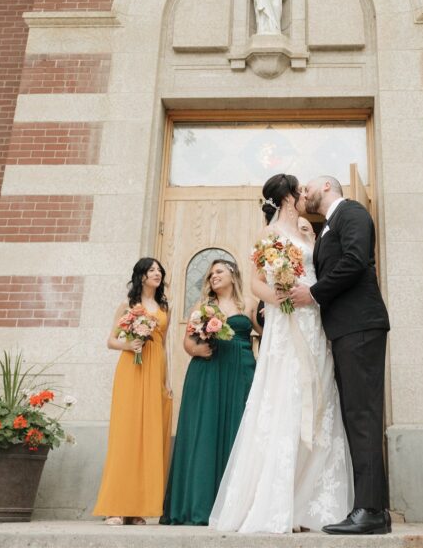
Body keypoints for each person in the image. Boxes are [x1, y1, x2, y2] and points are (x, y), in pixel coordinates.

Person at [209, 173, 353, 533]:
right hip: (286, 323)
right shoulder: (267, 236)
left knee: (319, 397)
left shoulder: (307, 228)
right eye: (299, 190)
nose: (304, 194)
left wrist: (310, 241)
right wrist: (279, 298)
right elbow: (257, 282)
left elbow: (319, 271)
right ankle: (277, 503)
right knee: (286, 396)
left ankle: (307, 502)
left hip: (314, 322)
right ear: (288, 196)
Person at [290, 175, 391, 535]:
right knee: (356, 415)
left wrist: (314, 293)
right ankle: (371, 507)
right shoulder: (329, 225)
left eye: (308, 188)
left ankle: (370, 510)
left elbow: (355, 260)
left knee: (362, 414)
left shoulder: (352, 213)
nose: (304, 193)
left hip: (361, 326)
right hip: (345, 330)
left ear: (328, 187)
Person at [161, 259, 258, 525]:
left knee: (239, 429)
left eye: (219, 271)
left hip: (240, 370)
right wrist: (197, 349)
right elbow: (188, 342)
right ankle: (200, 504)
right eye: (210, 273)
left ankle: (236, 505)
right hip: (208, 371)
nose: (213, 276)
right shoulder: (202, 307)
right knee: (205, 431)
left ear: (232, 274)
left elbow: (267, 333)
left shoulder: (248, 304)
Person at [93, 258, 172, 525]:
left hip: (155, 372)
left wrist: (167, 381)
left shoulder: (163, 307)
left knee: (148, 438)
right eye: (152, 270)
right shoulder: (128, 306)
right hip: (131, 370)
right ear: (141, 276)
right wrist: (129, 346)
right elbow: (111, 341)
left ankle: (138, 508)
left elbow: (165, 346)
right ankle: (116, 507)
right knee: (126, 435)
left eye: (159, 270)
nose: (157, 274)